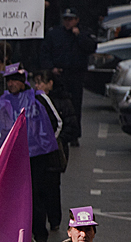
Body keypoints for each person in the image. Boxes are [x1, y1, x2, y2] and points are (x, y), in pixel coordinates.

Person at [38, 9, 96, 145]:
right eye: (66, 19)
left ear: (77, 20)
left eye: (71, 19)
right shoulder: (55, 33)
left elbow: (90, 48)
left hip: (76, 75)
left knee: (75, 105)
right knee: (56, 104)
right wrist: (51, 68)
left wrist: (80, 36)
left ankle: (74, 135)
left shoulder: (83, 33)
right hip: (59, 75)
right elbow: (45, 52)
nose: (68, 22)